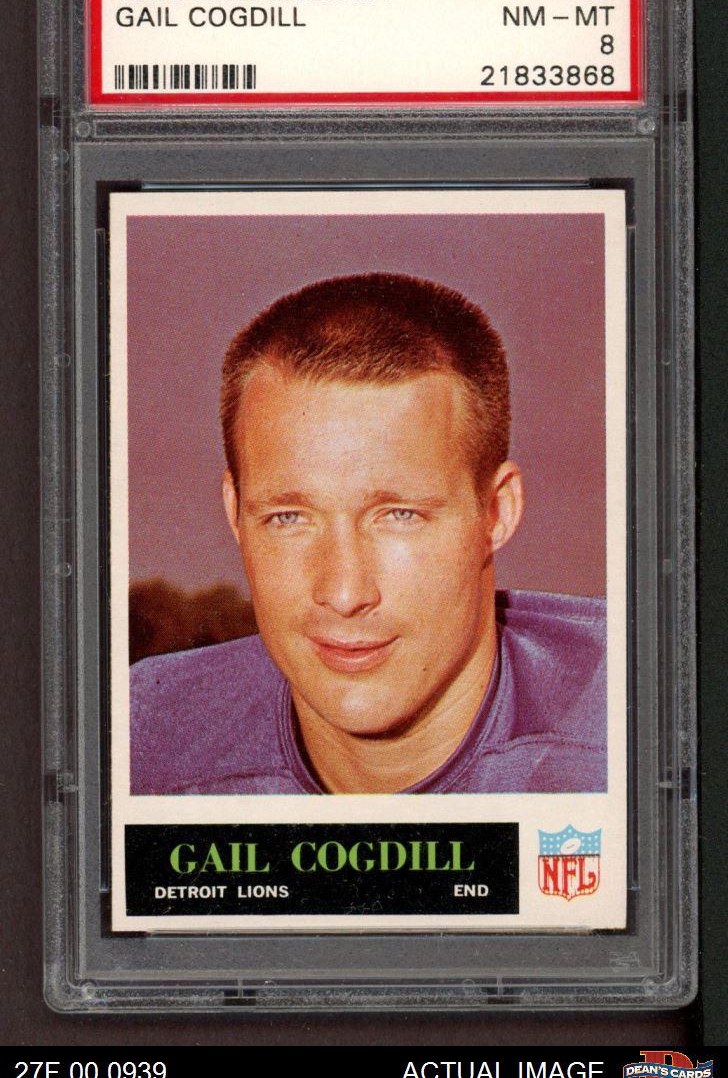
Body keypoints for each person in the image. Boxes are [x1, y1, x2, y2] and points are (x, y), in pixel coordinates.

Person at [130, 272, 606, 795]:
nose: (344, 593)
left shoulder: (637, 729)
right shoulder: (138, 743)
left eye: (399, 515)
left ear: (497, 511)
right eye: (289, 518)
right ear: (234, 511)